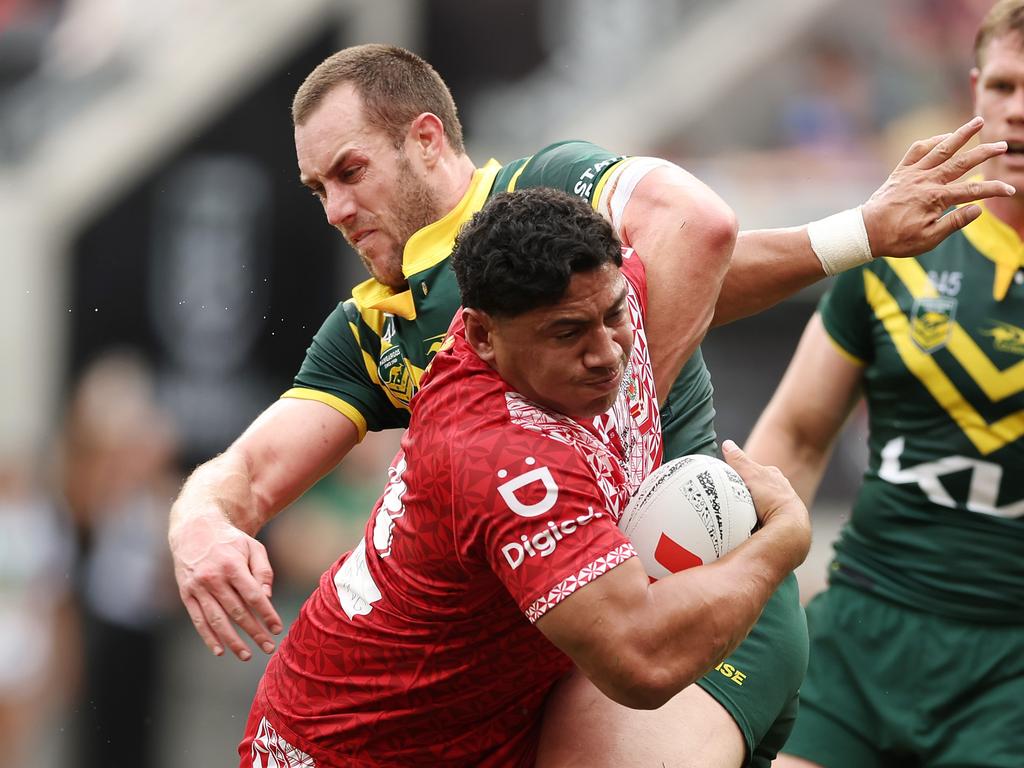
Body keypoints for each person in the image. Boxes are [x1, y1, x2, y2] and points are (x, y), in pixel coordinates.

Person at [168, 44, 1013, 767]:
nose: (337, 209)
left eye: (350, 171)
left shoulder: (548, 190)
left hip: (686, 590)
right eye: (318, 189)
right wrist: (201, 523)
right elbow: (247, 470)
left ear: (426, 140)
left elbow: (700, 233)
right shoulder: (369, 330)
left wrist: (616, 441)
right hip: (566, 629)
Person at [238, 186, 811, 767]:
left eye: (614, 315)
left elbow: (702, 265)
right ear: (482, 337)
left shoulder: (578, 294)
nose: (606, 353)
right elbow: (642, 662)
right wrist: (781, 543)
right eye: (567, 334)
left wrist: (862, 235)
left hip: (463, 728)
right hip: (348, 749)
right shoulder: (507, 459)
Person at [748, 3, 1024, 766]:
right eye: (1002, 84)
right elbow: (797, 435)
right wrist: (741, 584)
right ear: (975, 89)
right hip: (864, 634)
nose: (1018, 108)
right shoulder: (902, 243)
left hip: (1012, 672)